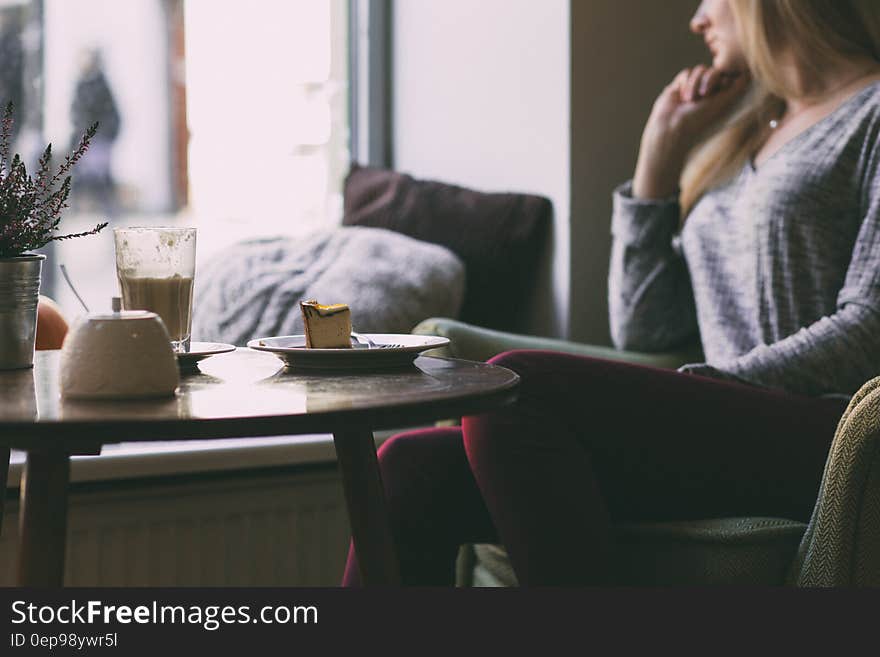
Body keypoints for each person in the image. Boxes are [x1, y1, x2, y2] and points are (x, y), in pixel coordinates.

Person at [342, 0, 880, 586]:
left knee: (519, 386)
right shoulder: (750, 128)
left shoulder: (870, 113)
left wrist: (706, 388)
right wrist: (658, 160)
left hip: (836, 434)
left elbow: (869, 326)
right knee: (407, 466)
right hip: (721, 419)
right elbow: (648, 329)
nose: (697, 20)